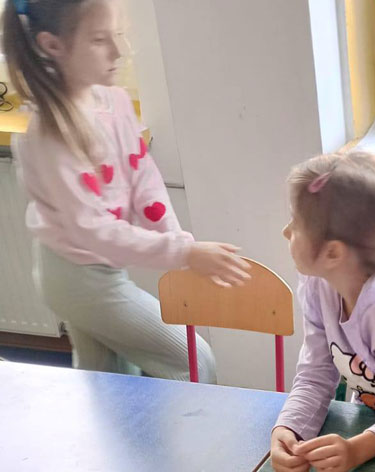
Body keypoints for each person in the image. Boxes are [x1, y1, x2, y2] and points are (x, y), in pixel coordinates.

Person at [3, 0, 250, 379]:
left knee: (107, 379)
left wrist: (179, 244)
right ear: (53, 45)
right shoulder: (49, 137)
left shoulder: (113, 101)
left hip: (98, 267)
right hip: (74, 276)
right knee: (194, 360)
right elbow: (94, 230)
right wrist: (184, 253)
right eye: (100, 39)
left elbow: (143, 180)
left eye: (118, 35)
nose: (119, 51)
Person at [271, 151, 375, 472]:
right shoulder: (318, 284)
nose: (286, 231)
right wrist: (288, 429)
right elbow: (316, 372)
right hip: (369, 429)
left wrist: (357, 449)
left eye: (295, 223)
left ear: (333, 252)